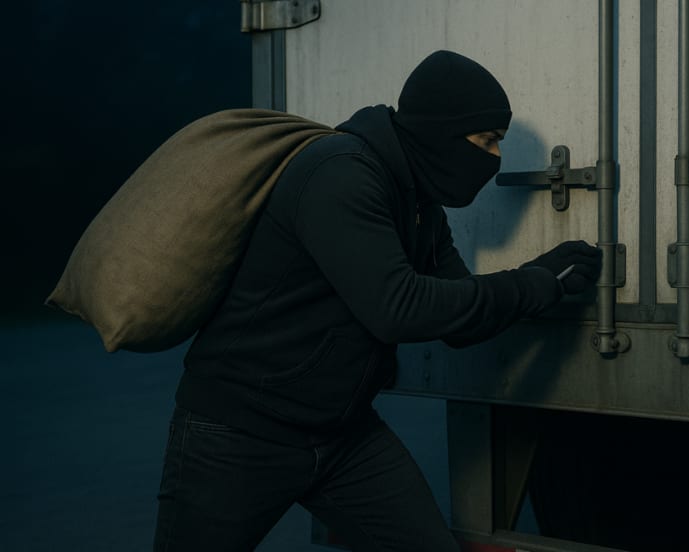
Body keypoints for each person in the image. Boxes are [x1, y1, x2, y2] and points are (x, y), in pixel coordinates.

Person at [153, 50, 602, 552]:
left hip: (341, 436)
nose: (495, 157)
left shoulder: (421, 205)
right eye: (487, 140)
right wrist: (529, 284)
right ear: (442, 130)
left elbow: (461, 325)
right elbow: (398, 309)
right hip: (240, 431)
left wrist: (545, 276)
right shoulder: (341, 173)